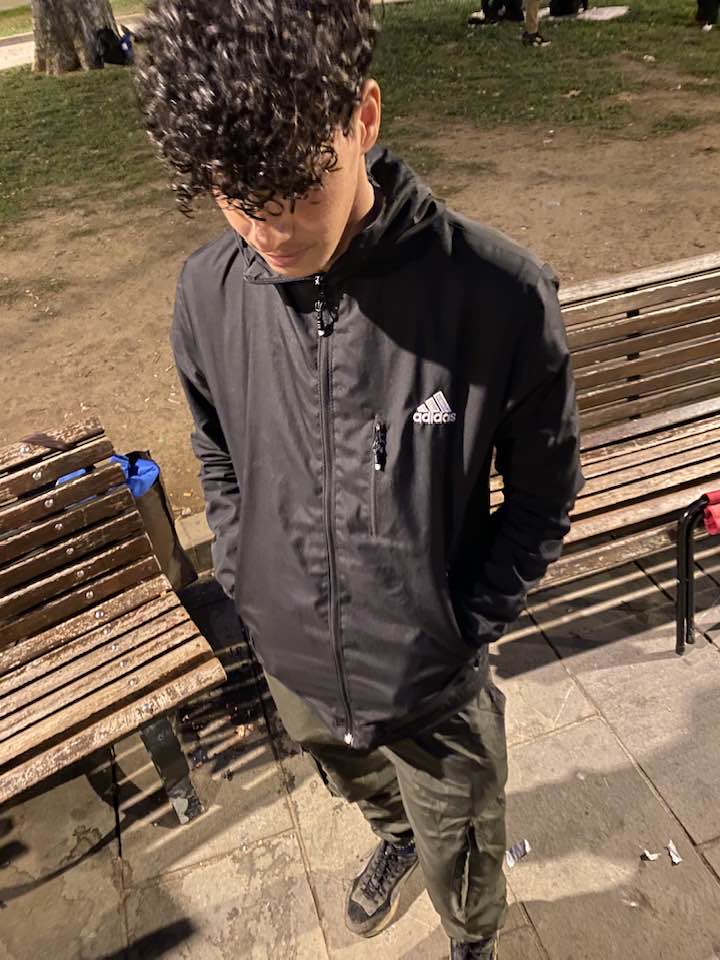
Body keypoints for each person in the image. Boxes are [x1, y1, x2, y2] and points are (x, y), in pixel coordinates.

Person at [135, 3, 583, 958]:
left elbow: (543, 496)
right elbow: (215, 449)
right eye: (234, 196)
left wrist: (463, 623)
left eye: (298, 188)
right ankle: (392, 835)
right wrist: (252, 579)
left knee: (463, 834)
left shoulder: (497, 296)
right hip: (292, 661)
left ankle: (471, 935)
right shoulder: (205, 294)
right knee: (357, 780)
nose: (267, 229)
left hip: (432, 681)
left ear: (364, 118)